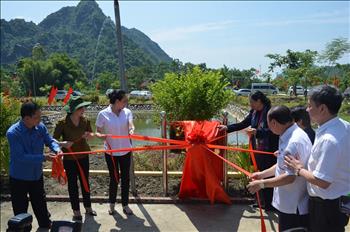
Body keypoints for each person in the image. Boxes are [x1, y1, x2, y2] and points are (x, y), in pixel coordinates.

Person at [285, 85, 350, 232]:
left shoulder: (329, 140)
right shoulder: (344, 127)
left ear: (322, 109)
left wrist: (298, 168)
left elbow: (323, 181)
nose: (307, 110)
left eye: (309, 105)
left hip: (325, 206)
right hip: (340, 201)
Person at [247, 106, 312, 231]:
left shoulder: (293, 142)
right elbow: (281, 165)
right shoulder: (291, 134)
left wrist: (262, 184)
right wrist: (261, 175)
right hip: (290, 202)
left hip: (293, 205)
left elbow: (289, 177)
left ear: (274, 123)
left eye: (268, 124)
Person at [219, 90, 279, 211]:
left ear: (259, 101)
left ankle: (269, 204)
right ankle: (260, 201)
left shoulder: (270, 113)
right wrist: (227, 128)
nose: (250, 105)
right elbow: (243, 124)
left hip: (268, 150)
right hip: (256, 149)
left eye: (251, 102)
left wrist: (258, 132)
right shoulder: (254, 112)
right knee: (257, 174)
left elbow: (274, 131)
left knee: (266, 177)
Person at [6, 101, 61, 229]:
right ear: (26, 118)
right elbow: (21, 157)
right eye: (37, 117)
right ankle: (22, 228)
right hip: (19, 177)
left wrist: (57, 149)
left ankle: (45, 223)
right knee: (20, 210)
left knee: (40, 203)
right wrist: (44, 157)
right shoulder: (13, 133)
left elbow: (50, 140)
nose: (40, 119)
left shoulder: (40, 127)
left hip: (36, 175)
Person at [53, 96, 97, 221]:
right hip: (70, 158)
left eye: (83, 107)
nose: (83, 109)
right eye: (80, 108)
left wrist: (89, 135)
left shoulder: (85, 121)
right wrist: (63, 143)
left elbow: (91, 135)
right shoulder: (62, 123)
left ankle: (88, 208)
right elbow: (52, 141)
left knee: (85, 181)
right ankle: (76, 211)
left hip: (83, 156)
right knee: (72, 184)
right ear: (73, 109)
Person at [96, 89, 135, 215]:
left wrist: (131, 129)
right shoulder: (103, 114)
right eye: (124, 101)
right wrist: (100, 135)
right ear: (117, 101)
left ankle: (125, 204)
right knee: (114, 179)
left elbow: (130, 124)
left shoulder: (127, 112)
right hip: (111, 152)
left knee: (125, 178)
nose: (126, 103)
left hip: (125, 151)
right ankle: (112, 204)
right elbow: (98, 131)